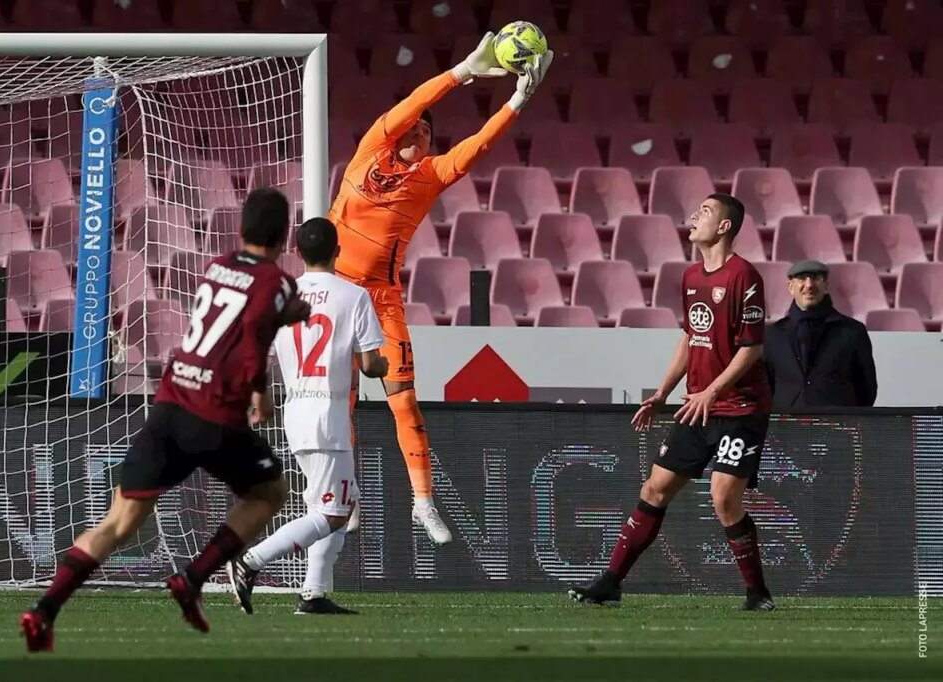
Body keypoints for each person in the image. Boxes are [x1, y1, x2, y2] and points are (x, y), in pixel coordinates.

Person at [19, 188, 311, 652]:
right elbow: (255, 329)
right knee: (271, 491)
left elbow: (240, 317)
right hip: (214, 416)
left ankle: (43, 611)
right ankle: (192, 578)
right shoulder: (276, 282)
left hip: (170, 404)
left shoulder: (219, 265)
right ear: (285, 234)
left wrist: (283, 314)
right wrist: (260, 389)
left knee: (118, 523)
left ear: (241, 230)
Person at [330, 34, 554, 543]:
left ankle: (422, 503)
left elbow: (478, 146)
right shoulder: (368, 151)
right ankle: (348, 494)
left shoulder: (429, 176)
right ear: (401, 133)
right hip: (336, 292)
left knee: (404, 403)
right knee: (338, 403)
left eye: (431, 134)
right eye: (420, 131)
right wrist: (462, 73)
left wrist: (517, 101)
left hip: (381, 300)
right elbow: (414, 102)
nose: (425, 136)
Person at [568, 194, 776, 611]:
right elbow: (690, 337)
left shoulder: (744, 276)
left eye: (705, 211)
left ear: (724, 227)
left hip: (739, 407)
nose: (694, 216)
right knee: (654, 488)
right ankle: (611, 582)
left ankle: (757, 592)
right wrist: (662, 392)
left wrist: (712, 391)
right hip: (696, 406)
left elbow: (751, 349)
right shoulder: (691, 278)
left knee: (723, 497)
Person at [226, 217, 388, 616]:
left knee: (343, 502)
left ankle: (313, 594)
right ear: (338, 251)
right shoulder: (354, 296)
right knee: (331, 512)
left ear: (297, 253)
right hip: (328, 415)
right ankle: (249, 563)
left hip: (296, 409)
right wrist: (383, 365)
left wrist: (257, 400)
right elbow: (369, 366)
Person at [764, 260, 877, 408]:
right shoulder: (773, 335)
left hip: (837, 426)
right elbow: (766, 385)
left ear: (826, 286)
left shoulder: (853, 331)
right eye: (802, 278)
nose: (809, 285)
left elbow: (866, 388)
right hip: (787, 426)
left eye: (816, 278)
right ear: (791, 287)